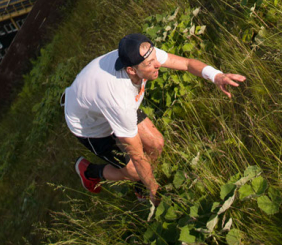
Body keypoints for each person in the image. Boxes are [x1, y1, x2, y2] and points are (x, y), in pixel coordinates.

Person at [63, 32, 246, 204]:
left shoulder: (144, 54)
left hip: (104, 102)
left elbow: (188, 64)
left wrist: (217, 76)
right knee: (134, 171)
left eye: (154, 59)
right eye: (149, 64)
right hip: (90, 125)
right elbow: (137, 155)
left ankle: (141, 186)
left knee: (156, 143)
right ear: (132, 70)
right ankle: (90, 172)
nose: (157, 64)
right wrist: (154, 191)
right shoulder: (119, 100)